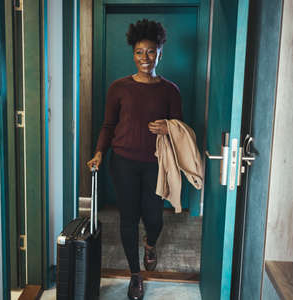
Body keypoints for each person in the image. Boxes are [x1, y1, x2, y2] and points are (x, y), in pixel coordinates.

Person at [87, 19, 182, 300]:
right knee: (127, 218)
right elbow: (107, 125)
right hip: (123, 162)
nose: (145, 58)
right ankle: (135, 275)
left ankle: (150, 243)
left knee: (154, 217)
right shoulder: (118, 88)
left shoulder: (170, 90)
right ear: (133, 54)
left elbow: (180, 127)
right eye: (140, 52)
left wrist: (168, 127)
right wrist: (99, 152)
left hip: (155, 163)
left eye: (150, 52)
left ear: (159, 53)